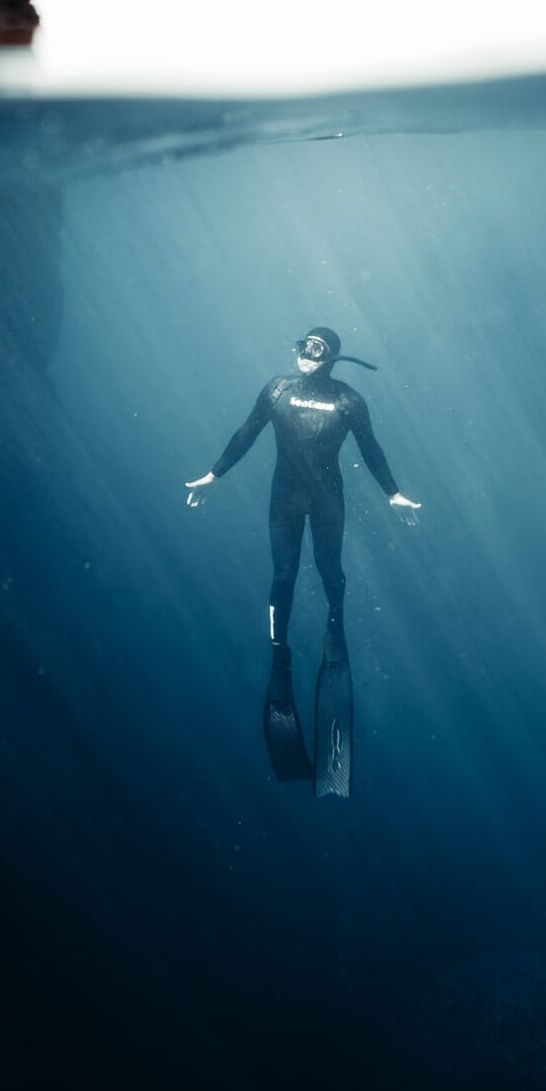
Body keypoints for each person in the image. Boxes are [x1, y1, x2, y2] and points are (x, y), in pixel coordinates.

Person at [186, 326, 420, 792]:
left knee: (331, 571)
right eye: (301, 347)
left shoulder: (349, 401)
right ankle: (279, 655)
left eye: (315, 351)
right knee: (284, 576)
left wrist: (394, 495)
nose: (304, 356)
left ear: (332, 357)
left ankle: (335, 633)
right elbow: (246, 432)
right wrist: (213, 475)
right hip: (285, 500)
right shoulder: (277, 390)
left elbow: (371, 450)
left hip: (328, 501)